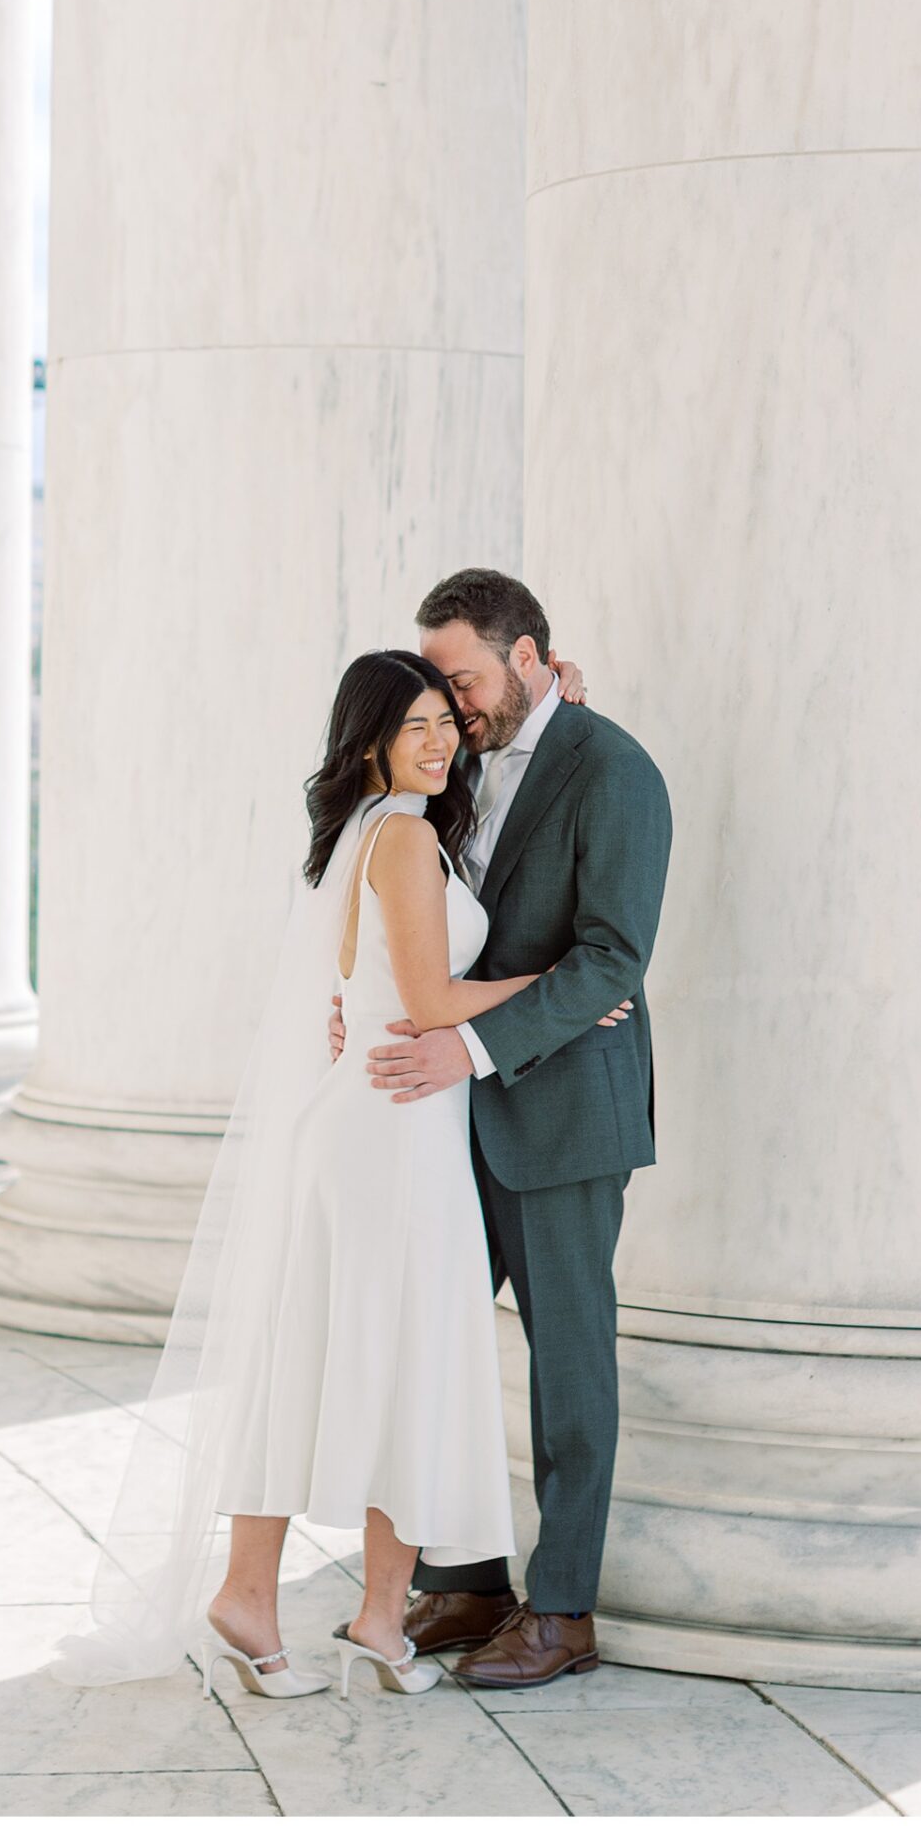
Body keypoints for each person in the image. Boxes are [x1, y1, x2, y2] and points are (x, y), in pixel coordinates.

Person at [45, 642, 625, 1702]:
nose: (441, 738)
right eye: (416, 727)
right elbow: (431, 997)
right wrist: (561, 983)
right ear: (367, 745)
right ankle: (261, 1596)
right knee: (375, 1357)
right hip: (388, 1135)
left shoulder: (385, 830)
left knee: (370, 1359)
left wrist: (557, 695)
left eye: (446, 721)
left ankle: (364, 1617)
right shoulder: (399, 837)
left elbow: (382, 987)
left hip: (395, 1124)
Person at [329, 567, 672, 1689]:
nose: (449, 701)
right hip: (442, 1115)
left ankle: (561, 1608)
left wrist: (463, 1045)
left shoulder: (614, 770)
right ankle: (466, 1576)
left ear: (529, 656)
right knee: (432, 1344)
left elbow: (611, 960)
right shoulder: (457, 751)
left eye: (465, 677)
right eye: (437, 682)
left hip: (561, 1108)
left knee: (567, 1367)